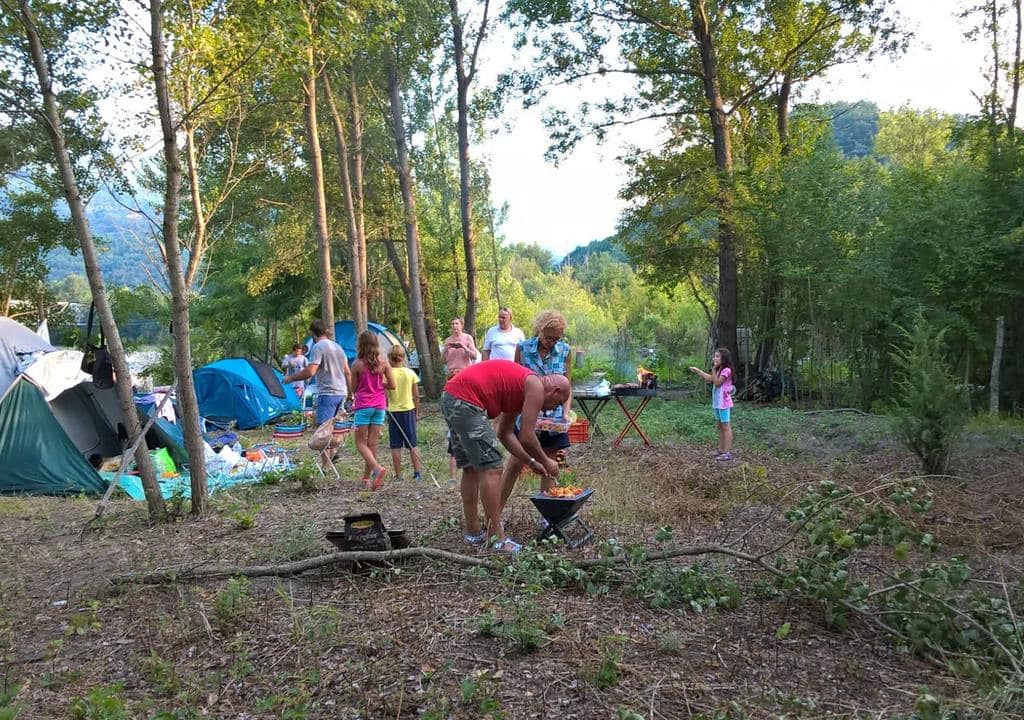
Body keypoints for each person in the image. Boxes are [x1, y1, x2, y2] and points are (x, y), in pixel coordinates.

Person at [441, 359, 570, 552]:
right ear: (555, 390)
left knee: (472, 469)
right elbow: (527, 436)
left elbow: (505, 433)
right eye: (557, 403)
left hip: (451, 397)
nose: (552, 409)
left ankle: (473, 532)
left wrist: (530, 461)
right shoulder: (536, 387)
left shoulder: (522, 387)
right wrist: (546, 461)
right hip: (465, 401)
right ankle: (497, 538)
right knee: (493, 467)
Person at [499, 311, 573, 508]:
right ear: (540, 330)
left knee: (549, 462)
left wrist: (565, 413)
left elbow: (567, 385)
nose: (552, 342)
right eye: (549, 337)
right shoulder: (523, 349)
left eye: (557, 338)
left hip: (553, 418)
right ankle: (495, 512)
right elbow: (515, 380)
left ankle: (547, 515)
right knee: (515, 462)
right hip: (526, 414)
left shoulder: (565, 350)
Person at [283, 320, 351, 465]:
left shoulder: (318, 347)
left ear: (312, 333)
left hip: (328, 392)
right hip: (342, 392)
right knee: (336, 427)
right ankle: (334, 454)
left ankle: (326, 466)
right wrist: (351, 393)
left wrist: (291, 378)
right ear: (325, 331)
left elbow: (311, 371)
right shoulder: (338, 347)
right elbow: (347, 372)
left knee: (323, 430)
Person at [351, 330, 395, 490]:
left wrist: (365, 385)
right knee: (373, 443)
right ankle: (367, 478)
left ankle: (376, 469)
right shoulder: (383, 362)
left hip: (363, 406)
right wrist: (379, 385)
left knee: (360, 443)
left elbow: (354, 388)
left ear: (360, 345)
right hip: (379, 406)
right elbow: (393, 385)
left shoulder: (357, 364)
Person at [385, 344, 423, 482]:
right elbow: (416, 395)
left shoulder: (387, 374)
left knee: (395, 445)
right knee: (412, 444)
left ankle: (398, 475)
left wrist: (386, 407)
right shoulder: (410, 373)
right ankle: (417, 473)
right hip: (408, 410)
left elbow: (385, 394)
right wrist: (417, 413)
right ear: (403, 357)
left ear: (390, 358)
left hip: (393, 411)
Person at [689, 348, 734, 461]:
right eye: (714, 356)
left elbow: (718, 383)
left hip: (724, 403)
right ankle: (721, 450)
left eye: (717, 356)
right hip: (717, 403)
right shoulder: (719, 370)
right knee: (720, 426)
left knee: (726, 427)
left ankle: (727, 452)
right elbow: (710, 378)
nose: (714, 358)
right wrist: (698, 370)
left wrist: (713, 370)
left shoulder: (726, 370)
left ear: (724, 359)